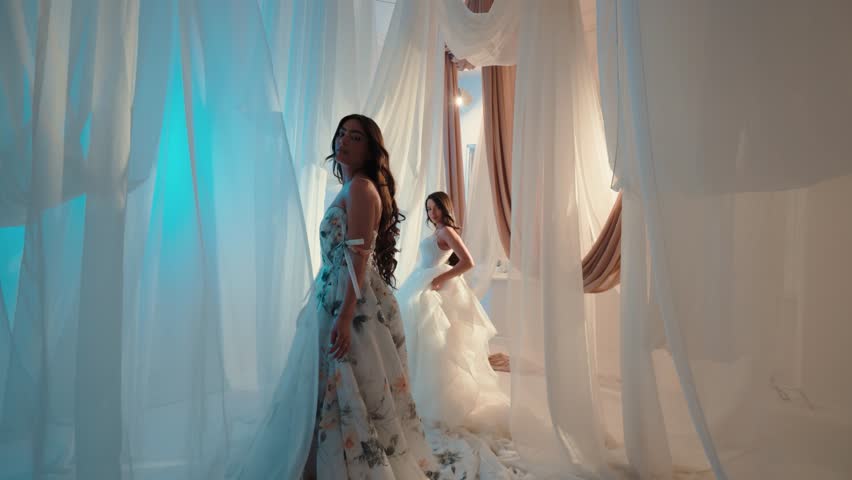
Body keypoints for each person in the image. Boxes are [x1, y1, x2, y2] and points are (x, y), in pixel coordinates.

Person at [239, 114, 440, 480]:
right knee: (330, 389)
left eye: (356, 137)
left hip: (352, 301)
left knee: (347, 388)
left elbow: (358, 255)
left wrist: (346, 315)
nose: (344, 141)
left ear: (370, 149)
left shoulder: (361, 189)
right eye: (342, 134)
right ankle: (316, 464)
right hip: (335, 293)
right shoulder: (351, 187)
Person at [396, 192, 509, 434]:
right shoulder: (438, 232)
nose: (431, 213)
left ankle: (438, 400)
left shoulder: (447, 231)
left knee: (436, 343)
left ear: (444, 208)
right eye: (428, 209)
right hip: (422, 281)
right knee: (421, 341)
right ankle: (416, 391)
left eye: (435, 208)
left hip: (434, 284)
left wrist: (441, 278)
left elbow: (468, 262)